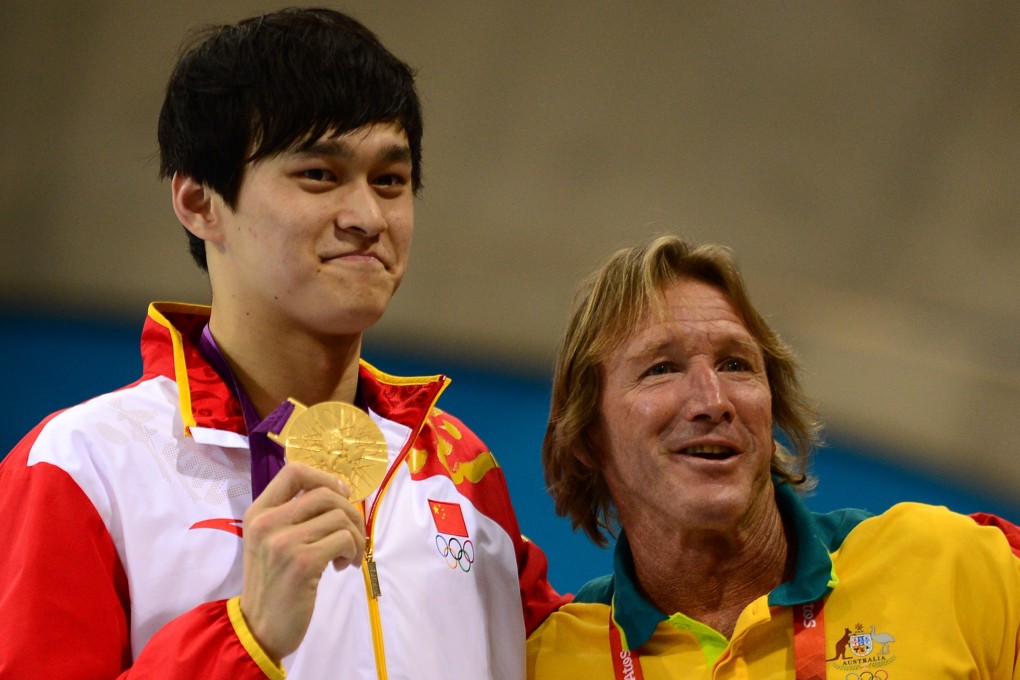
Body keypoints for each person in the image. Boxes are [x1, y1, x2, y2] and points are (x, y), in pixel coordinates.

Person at [0, 8, 566, 679]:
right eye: (319, 175)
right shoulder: (85, 467)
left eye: (390, 180)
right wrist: (245, 638)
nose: (366, 219)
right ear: (199, 201)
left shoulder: (460, 472)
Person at [527, 235, 1020, 678]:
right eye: (661, 369)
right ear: (588, 438)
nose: (713, 400)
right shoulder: (546, 659)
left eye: (735, 364)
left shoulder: (956, 565)